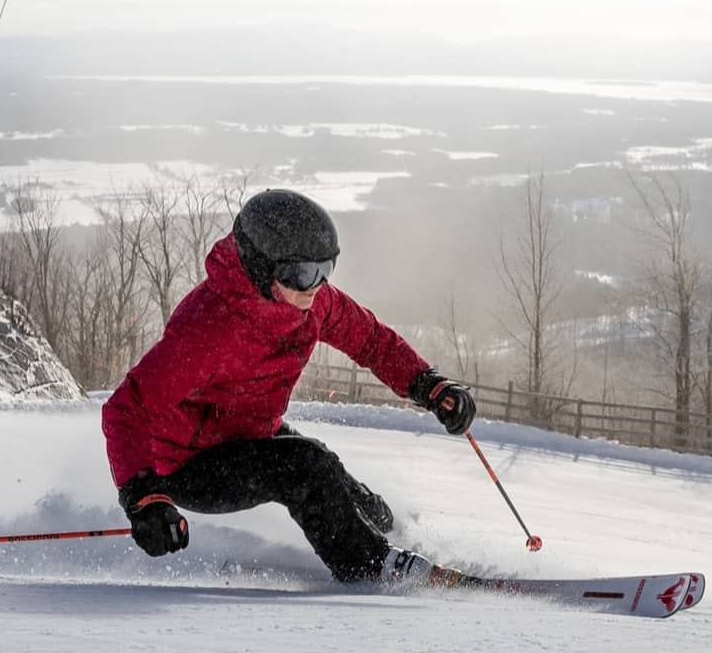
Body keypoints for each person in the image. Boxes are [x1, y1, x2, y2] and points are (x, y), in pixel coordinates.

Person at [101, 188, 479, 583]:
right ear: (262, 268)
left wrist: (427, 384)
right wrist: (143, 497)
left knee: (327, 468)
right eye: (301, 274)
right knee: (304, 468)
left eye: (325, 269)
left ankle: (391, 534)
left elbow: (370, 340)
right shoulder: (209, 326)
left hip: (244, 431)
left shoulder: (312, 302)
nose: (314, 285)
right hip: (186, 462)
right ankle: (371, 567)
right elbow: (127, 409)